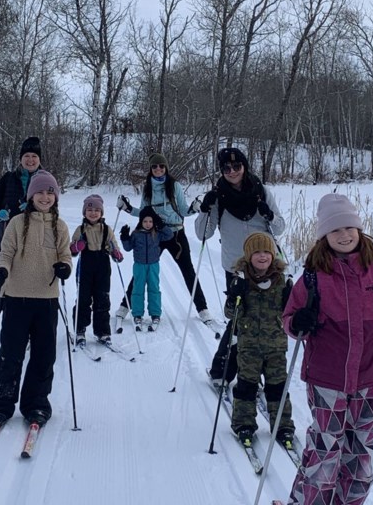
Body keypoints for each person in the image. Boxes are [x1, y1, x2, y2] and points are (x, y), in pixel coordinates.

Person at [278, 194, 373, 505]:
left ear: (359, 230)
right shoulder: (313, 276)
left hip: (368, 379)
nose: (344, 234)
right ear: (324, 236)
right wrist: (298, 322)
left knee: (360, 460)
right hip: (327, 379)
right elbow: (289, 320)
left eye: (349, 227)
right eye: (336, 229)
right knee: (325, 454)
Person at [0, 170, 72, 427]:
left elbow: (65, 255)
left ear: (55, 196)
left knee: (44, 357)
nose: (45, 197)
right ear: (31, 195)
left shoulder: (60, 226)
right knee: (10, 355)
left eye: (50, 192)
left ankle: (36, 404)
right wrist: (1, 271)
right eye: (40, 192)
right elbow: (6, 252)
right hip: (16, 296)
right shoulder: (17, 222)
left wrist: (65, 267)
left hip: (46, 299)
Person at [194, 147, 286, 383]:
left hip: (267, 266)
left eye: (237, 166)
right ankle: (222, 372)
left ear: (244, 167)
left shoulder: (261, 191)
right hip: (237, 267)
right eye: (226, 168)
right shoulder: (218, 196)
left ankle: (264, 374)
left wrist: (269, 215)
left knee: (266, 322)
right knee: (239, 321)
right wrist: (205, 209)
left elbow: (280, 227)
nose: (232, 171)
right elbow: (203, 234)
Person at [116, 153, 214, 325]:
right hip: (156, 235)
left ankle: (203, 309)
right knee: (142, 269)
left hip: (176, 234)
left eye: (161, 166)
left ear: (166, 167)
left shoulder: (174, 186)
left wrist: (195, 208)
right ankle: (124, 306)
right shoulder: (148, 188)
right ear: (151, 169)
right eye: (154, 167)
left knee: (188, 271)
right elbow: (144, 213)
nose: (158, 169)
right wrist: (127, 208)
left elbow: (183, 210)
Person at [225, 232, 296, 447]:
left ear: (273, 255)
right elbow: (230, 314)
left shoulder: (282, 281)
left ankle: (282, 425)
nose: (262, 256)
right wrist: (234, 297)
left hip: (276, 346)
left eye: (266, 252)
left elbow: (291, 312)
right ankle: (243, 423)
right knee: (247, 386)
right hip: (248, 347)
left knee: (277, 387)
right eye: (257, 252)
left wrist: (292, 301)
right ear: (248, 256)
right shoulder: (241, 281)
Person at [0, 136, 43, 344]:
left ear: (39, 159)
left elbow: (52, 208)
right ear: (20, 158)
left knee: (32, 285)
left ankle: (30, 331)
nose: (30, 160)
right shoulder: (8, 178)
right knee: (2, 281)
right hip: (7, 239)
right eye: (26, 156)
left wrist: (33, 207)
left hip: (36, 241)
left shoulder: (46, 179)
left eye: (34, 156)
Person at [69, 194, 124, 346]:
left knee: (102, 299)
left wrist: (116, 253)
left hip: (102, 267)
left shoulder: (106, 229)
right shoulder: (80, 229)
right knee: (83, 299)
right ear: (84, 212)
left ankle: (102, 332)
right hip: (86, 266)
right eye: (90, 209)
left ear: (101, 213)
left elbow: (114, 247)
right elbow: (71, 250)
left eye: (97, 210)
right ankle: (80, 330)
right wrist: (76, 247)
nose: (93, 213)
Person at [119, 206, 173, 331]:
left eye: (150, 221)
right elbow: (128, 248)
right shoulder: (136, 234)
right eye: (145, 221)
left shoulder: (157, 233)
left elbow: (169, 235)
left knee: (154, 288)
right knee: (137, 289)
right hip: (139, 265)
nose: (148, 224)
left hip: (153, 265)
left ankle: (155, 314)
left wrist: (161, 224)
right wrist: (125, 237)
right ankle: (137, 314)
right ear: (140, 222)